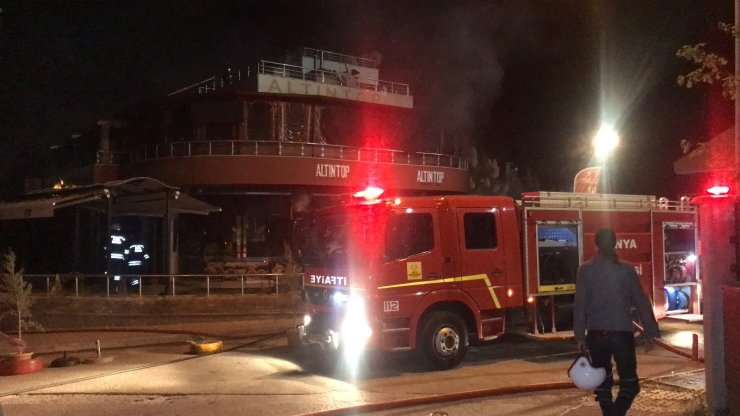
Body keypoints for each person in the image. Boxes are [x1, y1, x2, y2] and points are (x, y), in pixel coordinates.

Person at [573, 228, 660, 416]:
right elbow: (641, 301)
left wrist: (579, 336)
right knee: (630, 384)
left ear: (595, 245)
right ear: (615, 243)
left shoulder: (585, 270)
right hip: (622, 334)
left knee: (603, 384)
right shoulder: (627, 269)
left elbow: (580, 305)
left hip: (596, 335)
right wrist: (650, 332)